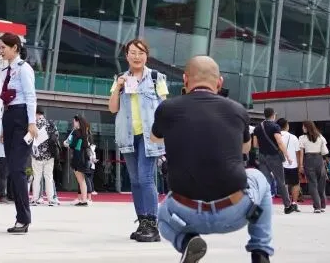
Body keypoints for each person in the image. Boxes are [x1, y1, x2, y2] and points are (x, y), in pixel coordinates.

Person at [151, 55, 273, 263]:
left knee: (162, 214)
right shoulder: (237, 109)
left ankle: (187, 240)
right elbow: (245, 148)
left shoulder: (167, 109)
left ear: (185, 80)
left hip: (186, 213)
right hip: (233, 211)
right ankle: (260, 251)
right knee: (258, 177)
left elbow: (155, 138)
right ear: (219, 82)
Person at [108, 37, 168, 243]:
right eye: (133, 53)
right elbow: (113, 108)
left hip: (149, 136)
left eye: (141, 53)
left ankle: (152, 225)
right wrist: (118, 87)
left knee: (146, 178)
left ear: (146, 56)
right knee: (135, 180)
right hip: (127, 135)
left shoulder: (156, 78)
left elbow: (164, 107)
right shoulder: (120, 78)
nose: (137, 57)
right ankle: (143, 222)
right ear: (126, 56)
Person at [0, 32, 38, 234]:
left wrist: (31, 123)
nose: (0, 51)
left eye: (3, 47)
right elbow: (5, 100)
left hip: (22, 117)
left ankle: (23, 219)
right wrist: (4, 127)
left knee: (17, 169)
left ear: (15, 48)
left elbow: (30, 97)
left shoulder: (24, 69)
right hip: (9, 116)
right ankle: (21, 217)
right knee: (12, 169)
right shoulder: (5, 70)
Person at [253, 107, 294, 213]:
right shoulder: (275, 127)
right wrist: (288, 156)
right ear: (273, 115)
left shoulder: (258, 127)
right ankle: (287, 206)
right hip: (274, 156)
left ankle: (259, 207)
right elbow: (280, 142)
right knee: (280, 181)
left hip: (262, 156)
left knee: (264, 182)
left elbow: (255, 144)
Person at [30, 109, 58, 206]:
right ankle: (51, 200)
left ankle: (35, 199)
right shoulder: (51, 124)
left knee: (36, 178)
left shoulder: (33, 125)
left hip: (36, 156)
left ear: (36, 114)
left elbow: (28, 140)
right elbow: (56, 137)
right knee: (49, 177)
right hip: (49, 156)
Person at [299, 121, 329, 213]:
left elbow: (301, 153)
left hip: (309, 160)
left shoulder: (302, 138)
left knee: (312, 183)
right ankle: (323, 205)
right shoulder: (320, 137)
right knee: (321, 183)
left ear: (307, 127)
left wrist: (301, 165)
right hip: (319, 159)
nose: (302, 128)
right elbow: (325, 152)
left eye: (303, 127)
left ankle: (317, 207)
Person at [64, 116, 92, 206]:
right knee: (82, 180)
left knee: (81, 180)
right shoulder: (85, 133)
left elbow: (72, 144)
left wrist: (66, 144)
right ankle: (84, 199)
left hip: (78, 158)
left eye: (74, 122)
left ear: (78, 122)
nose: (73, 123)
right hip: (84, 158)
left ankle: (83, 200)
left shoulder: (76, 132)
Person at [278, 118, 301, 212]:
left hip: (280, 164)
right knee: (295, 184)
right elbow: (298, 152)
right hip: (293, 164)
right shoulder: (293, 137)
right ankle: (294, 203)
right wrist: (299, 165)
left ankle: (287, 203)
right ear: (287, 125)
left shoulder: (276, 136)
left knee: (284, 184)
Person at [0, 116, 13, 203]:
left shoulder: (10, 122)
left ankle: (10, 195)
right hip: (3, 153)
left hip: (11, 153)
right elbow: (2, 139)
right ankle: (1, 196)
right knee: (3, 175)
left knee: (10, 175)